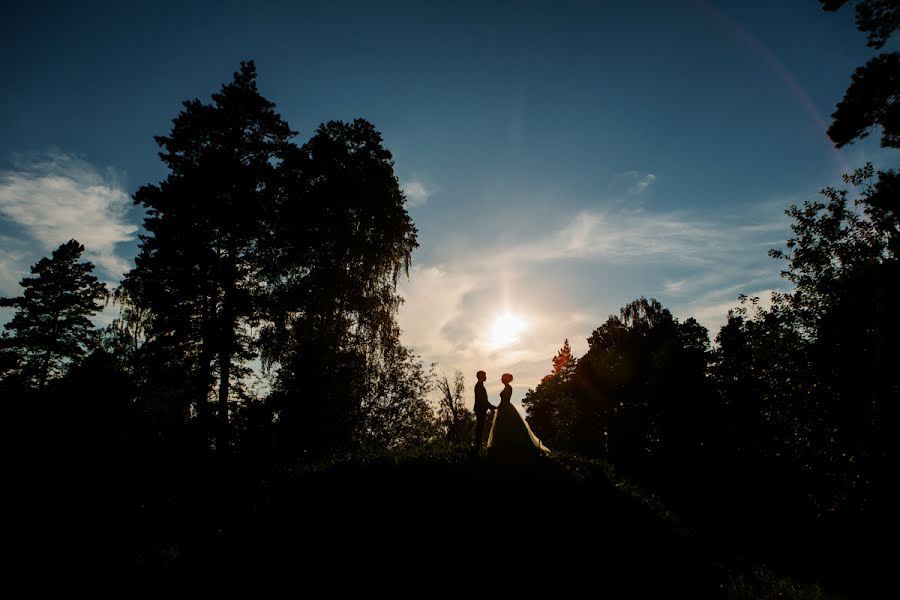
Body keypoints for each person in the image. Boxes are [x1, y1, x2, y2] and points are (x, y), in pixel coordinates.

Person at [486, 373, 550, 459]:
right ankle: (502, 446)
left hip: (506, 409)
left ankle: (511, 446)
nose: (501, 379)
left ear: (506, 379)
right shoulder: (506, 387)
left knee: (509, 426)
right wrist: (497, 407)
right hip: (503, 408)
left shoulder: (509, 388)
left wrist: (497, 407)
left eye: (502, 378)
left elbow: (505, 400)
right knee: (502, 427)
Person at [473, 370, 496, 449]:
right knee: (479, 429)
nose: (486, 377)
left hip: (481, 410)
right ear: (481, 377)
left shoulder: (480, 386)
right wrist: (491, 407)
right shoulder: (479, 386)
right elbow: (482, 401)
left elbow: (484, 401)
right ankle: (477, 447)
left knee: (480, 429)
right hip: (480, 411)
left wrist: (491, 407)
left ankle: (477, 446)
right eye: (485, 375)